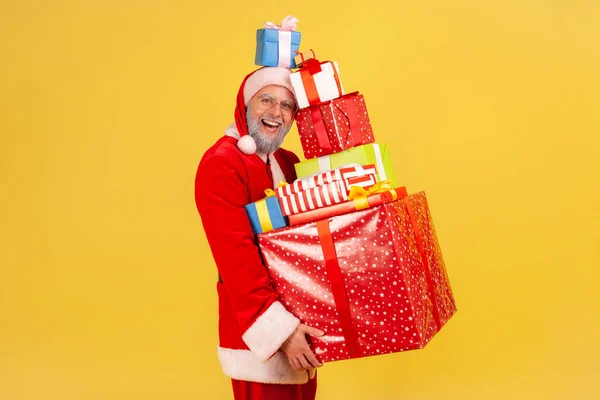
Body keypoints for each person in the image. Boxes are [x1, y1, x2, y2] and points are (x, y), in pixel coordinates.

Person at [194, 67, 324, 400]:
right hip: (261, 336)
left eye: (286, 105)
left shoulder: (288, 160)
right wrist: (283, 333)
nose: (275, 113)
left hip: (303, 323)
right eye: (266, 100)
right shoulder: (222, 164)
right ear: (245, 105)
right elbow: (237, 262)